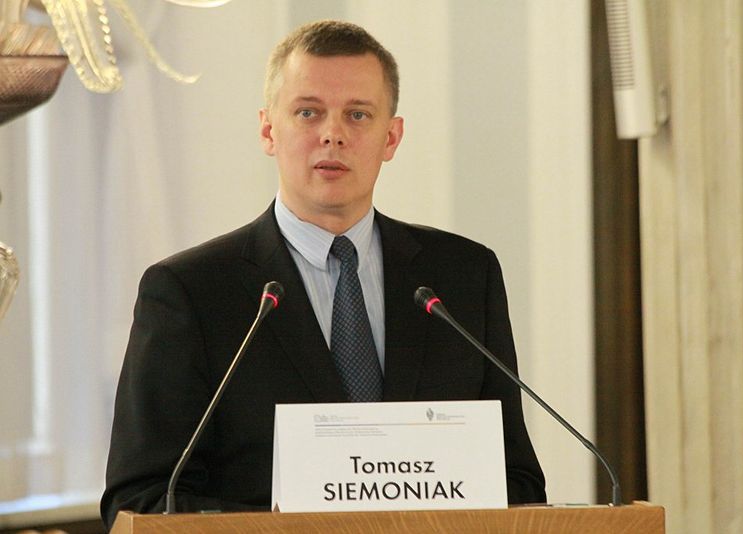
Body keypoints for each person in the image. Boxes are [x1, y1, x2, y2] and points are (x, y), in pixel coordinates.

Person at [100, 19, 546, 529]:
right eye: (308, 112)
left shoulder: (463, 277)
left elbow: (517, 482)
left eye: (358, 114)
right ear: (269, 130)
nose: (332, 134)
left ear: (391, 137)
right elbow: (142, 500)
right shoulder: (190, 292)